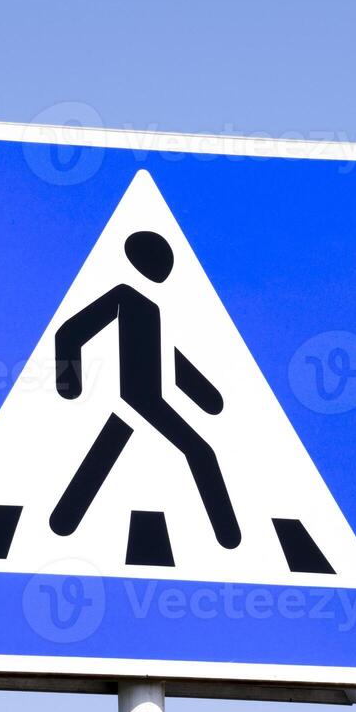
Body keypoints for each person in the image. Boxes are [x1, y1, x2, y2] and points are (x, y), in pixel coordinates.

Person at [50, 230, 241, 549]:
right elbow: (70, 332)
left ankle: (62, 522)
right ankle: (230, 538)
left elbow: (169, 360)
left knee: (104, 453)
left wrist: (207, 397)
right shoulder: (125, 296)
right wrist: (69, 384)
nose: (164, 269)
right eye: (158, 260)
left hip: (147, 398)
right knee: (200, 452)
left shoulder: (153, 308)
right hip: (139, 398)